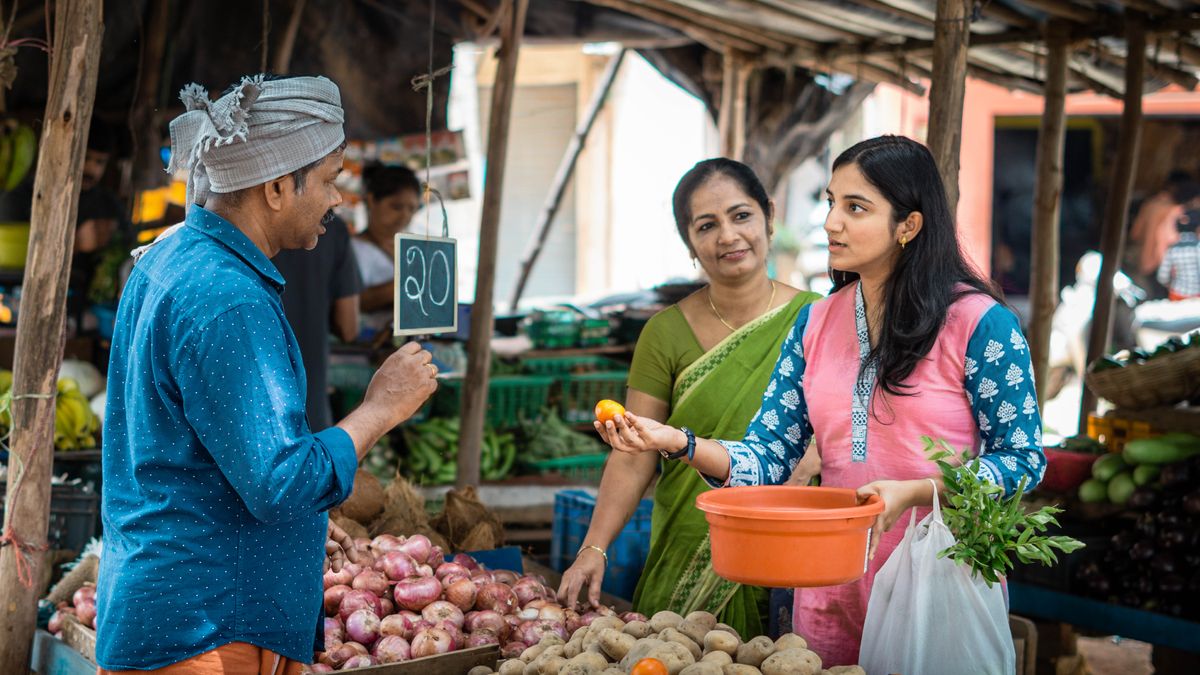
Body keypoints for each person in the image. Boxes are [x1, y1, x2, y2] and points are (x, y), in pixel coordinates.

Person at [594, 136, 1046, 666]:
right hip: (830, 591)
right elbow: (765, 460)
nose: (831, 222)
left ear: (909, 225)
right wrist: (680, 442)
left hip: (938, 585)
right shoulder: (814, 324)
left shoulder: (981, 324)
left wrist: (919, 490)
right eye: (831, 203)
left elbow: (1022, 462)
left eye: (856, 208)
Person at [96, 75, 439, 673]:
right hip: (207, 630)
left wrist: (297, 536)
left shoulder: (171, 256)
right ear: (279, 186)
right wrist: (381, 408)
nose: (337, 200)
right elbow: (279, 483)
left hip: (171, 605)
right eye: (331, 179)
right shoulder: (231, 301)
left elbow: (212, 455)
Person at [555, 158, 822, 637]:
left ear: (769, 215)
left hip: (791, 546)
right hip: (688, 545)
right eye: (707, 225)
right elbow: (633, 453)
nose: (728, 236)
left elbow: (849, 423)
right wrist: (593, 548)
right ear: (689, 244)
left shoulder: (818, 319)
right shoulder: (664, 333)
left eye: (741, 216)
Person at [273, 213, 362, 430]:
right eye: (327, 181)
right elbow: (348, 327)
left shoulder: (219, 240)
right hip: (308, 408)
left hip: (248, 420)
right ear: (275, 189)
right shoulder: (333, 227)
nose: (336, 197)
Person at [350, 162, 422, 335]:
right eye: (396, 206)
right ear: (371, 200)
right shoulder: (353, 249)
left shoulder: (413, 249)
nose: (405, 215)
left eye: (412, 208)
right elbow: (353, 302)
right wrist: (412, 283)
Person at [1129, 170, 1193, 278]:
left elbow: (1135, 234)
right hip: (1159, 267)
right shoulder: (1175, 210)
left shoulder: (1149, 204)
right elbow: (1168, 243)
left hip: (1142, 265)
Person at [1156, 184, 1200, 301]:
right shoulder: (1198, 247)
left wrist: (1172, 285)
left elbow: (1162, 276)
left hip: (1177, 295)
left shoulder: (1173, 249)